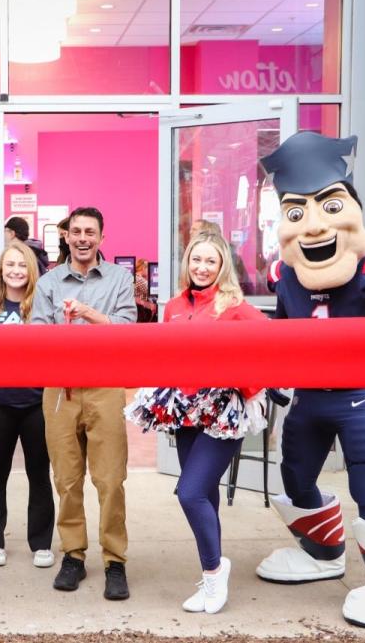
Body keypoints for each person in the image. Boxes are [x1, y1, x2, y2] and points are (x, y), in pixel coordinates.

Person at [257, 132, 365, 629]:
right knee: (295, 475)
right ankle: (324, 552)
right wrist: (271, 376)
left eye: (328, 205)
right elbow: (282, 331)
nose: (313, 226)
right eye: (296, 212)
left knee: (364, 484)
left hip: (358, 396)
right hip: (308, 397)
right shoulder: (285, 275)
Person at [141, 232, 267, 614]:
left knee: (189, 492)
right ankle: (214, 567)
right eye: (197, 259)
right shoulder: (174, 306)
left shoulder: (236, 306)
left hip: (223, 413)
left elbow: (271, 343)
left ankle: (214, 574)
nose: (202, 267)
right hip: (187, 413)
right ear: (187, 263)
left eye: (211, 261)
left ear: (222, 266)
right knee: (206, 494)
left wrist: (246, 384)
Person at [31, 206, 137, 600]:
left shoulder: (120, 279)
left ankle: (115, 560)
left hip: (105, 387)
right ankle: (73, 554)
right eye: (75, 231)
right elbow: (36, 336)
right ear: (67, 237)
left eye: (89, 231)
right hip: (59, 390)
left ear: (101, 238)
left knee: (110, 480)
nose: (82, 238)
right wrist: (60, 328)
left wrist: (90, 314)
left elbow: (128, 331)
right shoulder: (49, 283)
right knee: (67, 479)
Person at [0, 241, 55, 569]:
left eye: (22, 265)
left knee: (39, 474)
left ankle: (41, 543)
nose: (16, 271)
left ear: (31, 270)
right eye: (10, 265)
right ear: (1, 270)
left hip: (35, 402)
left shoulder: (42, 306)